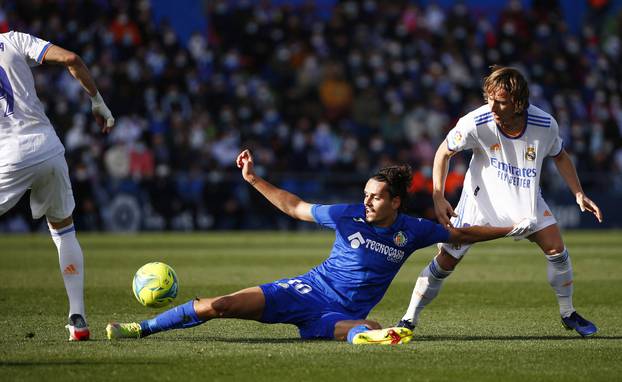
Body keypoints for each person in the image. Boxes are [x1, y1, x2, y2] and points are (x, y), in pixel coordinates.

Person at [106, 149, 532, 344]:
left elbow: (461, 235)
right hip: (304, 290)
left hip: (338, 314)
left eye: (376, 196)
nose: (367, 200)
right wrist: (253, 179)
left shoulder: (413, 231)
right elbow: (294, 206)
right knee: (222, 305)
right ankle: (140, 328)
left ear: (395, 202)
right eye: (366, 193)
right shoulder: (345, 213)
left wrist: (510, 229)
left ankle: (372, 336)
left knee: (365, 329)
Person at [397, 66, 603, 337]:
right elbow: (442, 153)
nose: (492, 106)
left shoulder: (545, 125)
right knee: (446, 260)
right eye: (489, 98)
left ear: (519, 103)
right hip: (481, 200)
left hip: (525, 199)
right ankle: (409, 318)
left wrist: (578, 192)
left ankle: (568, 313)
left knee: (556, 250)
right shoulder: (476, 122)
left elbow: (560, 156)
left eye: (501, 101)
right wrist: (438, 196)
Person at [0, 31, 115, 341]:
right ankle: (77, 318)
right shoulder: (13, 40)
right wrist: (97, 101)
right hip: (47, 148)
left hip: (7, 156)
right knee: (64, 229)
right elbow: (71, 59)